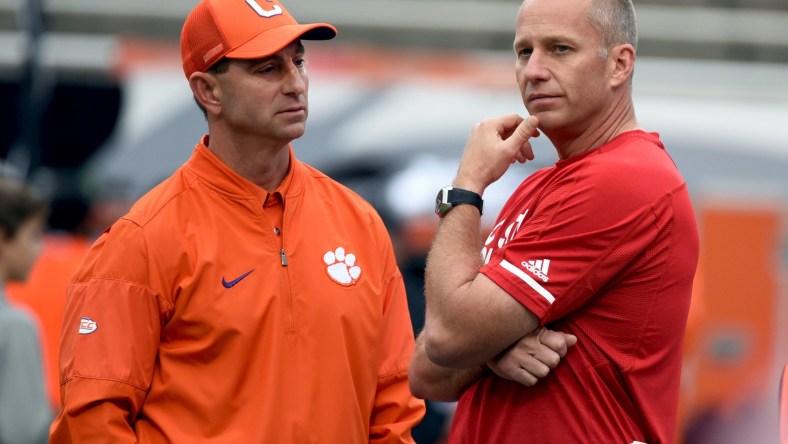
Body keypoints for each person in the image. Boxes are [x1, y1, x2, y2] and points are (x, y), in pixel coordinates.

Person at [49, 0, 424, 442]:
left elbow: (394, 408)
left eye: (298, 62)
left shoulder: (359, 222)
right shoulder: (143, 239)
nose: (296, 84)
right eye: (267, 69)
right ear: (208, 91)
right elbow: (92, 422)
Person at [409, 0, 700, 442]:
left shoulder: (626, 176)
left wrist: (468, 185)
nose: (534, 71)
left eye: (560, 49)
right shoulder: (539, 187)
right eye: (524, 52)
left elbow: (449, 338)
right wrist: (491, 350)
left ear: (619, 64)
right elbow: (427, 371)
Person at [0, 175, 51, 444]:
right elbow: (25, 432)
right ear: (3, 237)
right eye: (33, 235)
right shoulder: (15, 325)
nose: (40, 249)